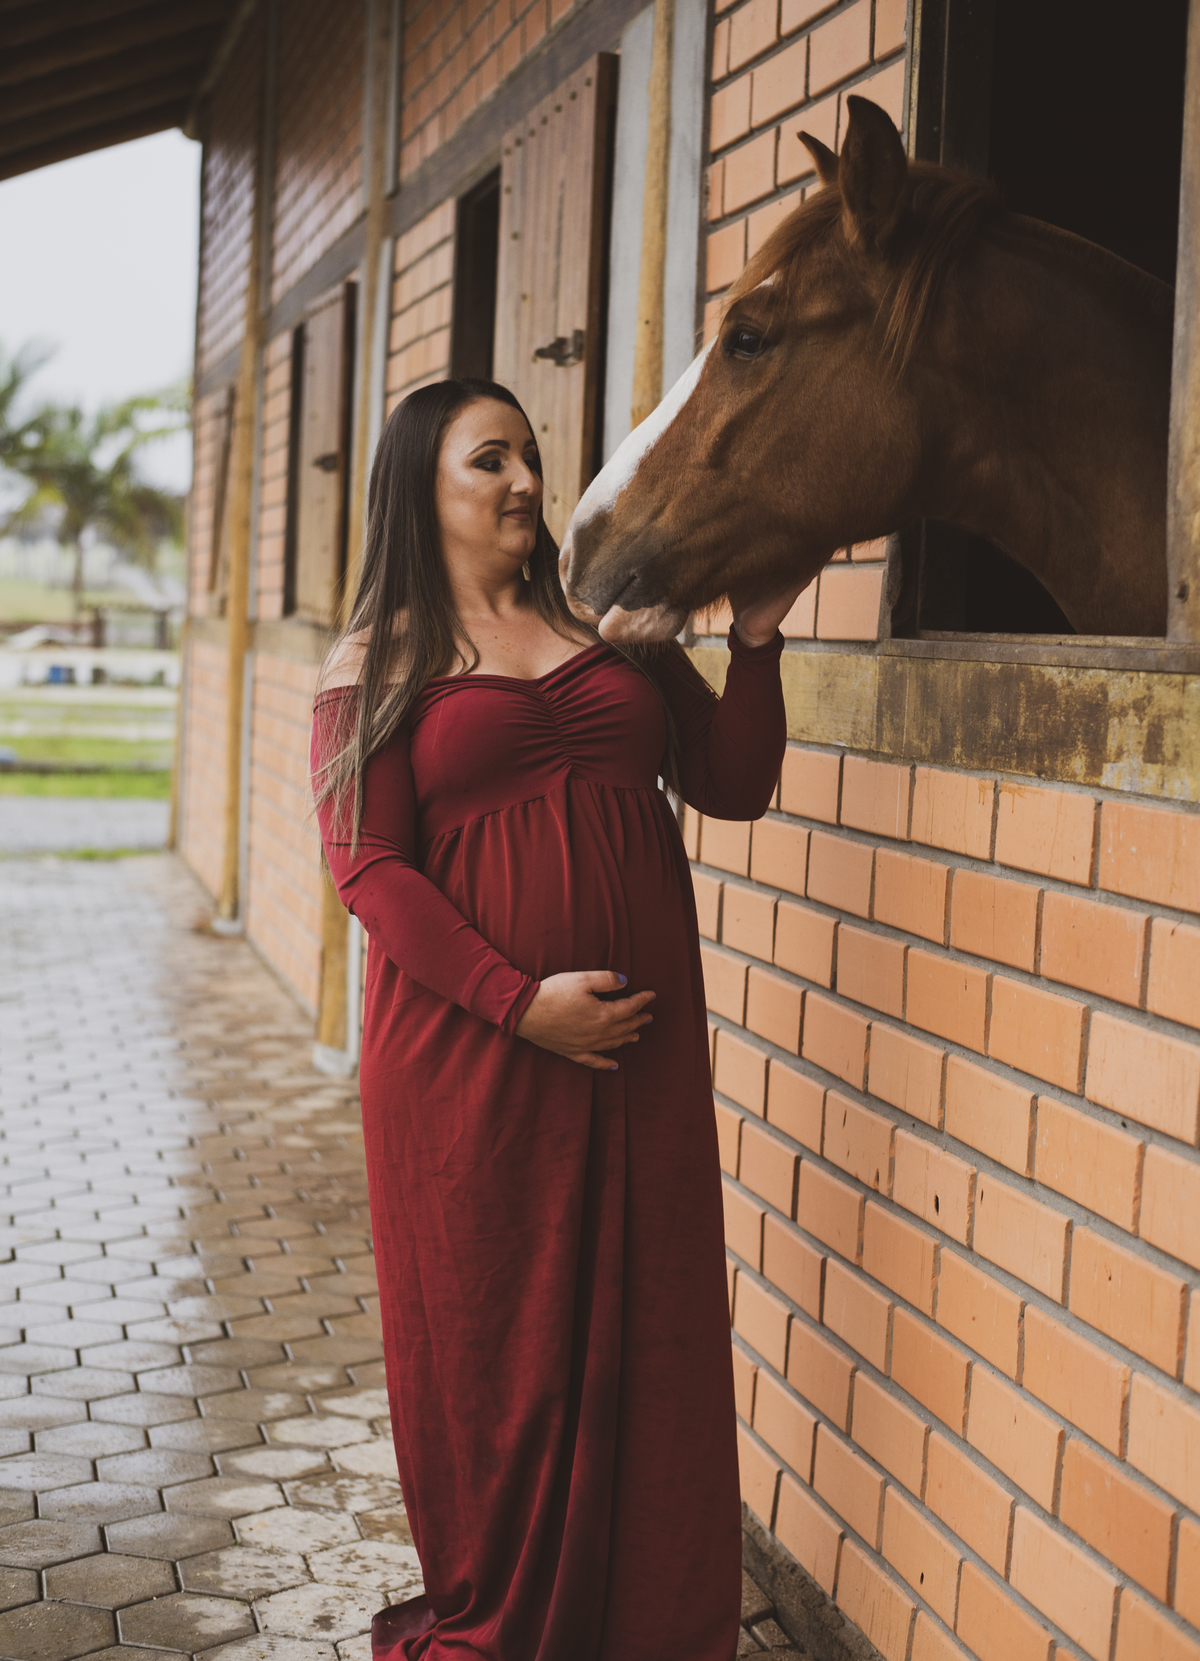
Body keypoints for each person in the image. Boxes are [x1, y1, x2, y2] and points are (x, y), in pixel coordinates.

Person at [310, 378, 792, 1661]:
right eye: (490, 460)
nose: (527, 479)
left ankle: (648, 1618)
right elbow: (369, 866)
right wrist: (519, 1005)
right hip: (471, 1054)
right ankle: (505, 1606)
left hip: (637, 1057)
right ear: (422, 487)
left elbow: (734, 782)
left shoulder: (614, 629)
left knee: (650, 1323)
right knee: (498, 1339)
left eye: (531, 454)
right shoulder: (380, 659)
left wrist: (755, 638)